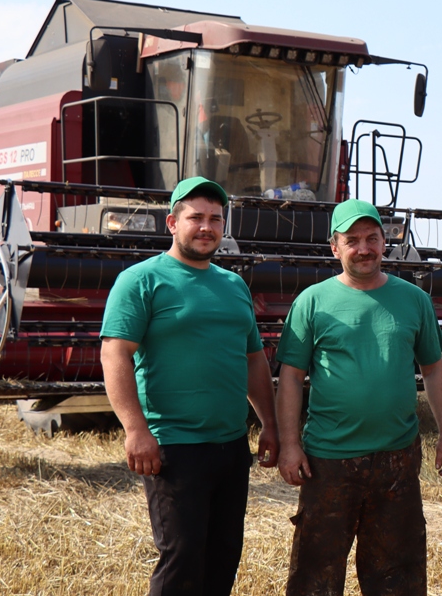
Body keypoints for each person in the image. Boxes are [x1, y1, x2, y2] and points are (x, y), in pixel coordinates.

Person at [100, 176, 279, 596]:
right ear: (172, 223)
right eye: (196, 217)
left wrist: (269, 425)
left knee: (223, 558)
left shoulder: (233, 284)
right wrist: (135, 430)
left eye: (215, 219)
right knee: (181, 561)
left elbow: (253, 359)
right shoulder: (141, 280)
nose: (206, 227)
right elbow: (115, 354)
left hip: (231, 446)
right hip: (174, 446)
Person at [274, 198, 442, 596]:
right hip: (328, 461)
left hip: (397, 459)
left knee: (398, 576)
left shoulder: (413, 299)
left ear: (383, 242)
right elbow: (290, 377)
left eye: (372, 238)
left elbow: (433, 369)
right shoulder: (312, 302)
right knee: (315, 575)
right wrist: (290, 445)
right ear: (334, 247)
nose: (363, 248)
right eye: (352, 240)